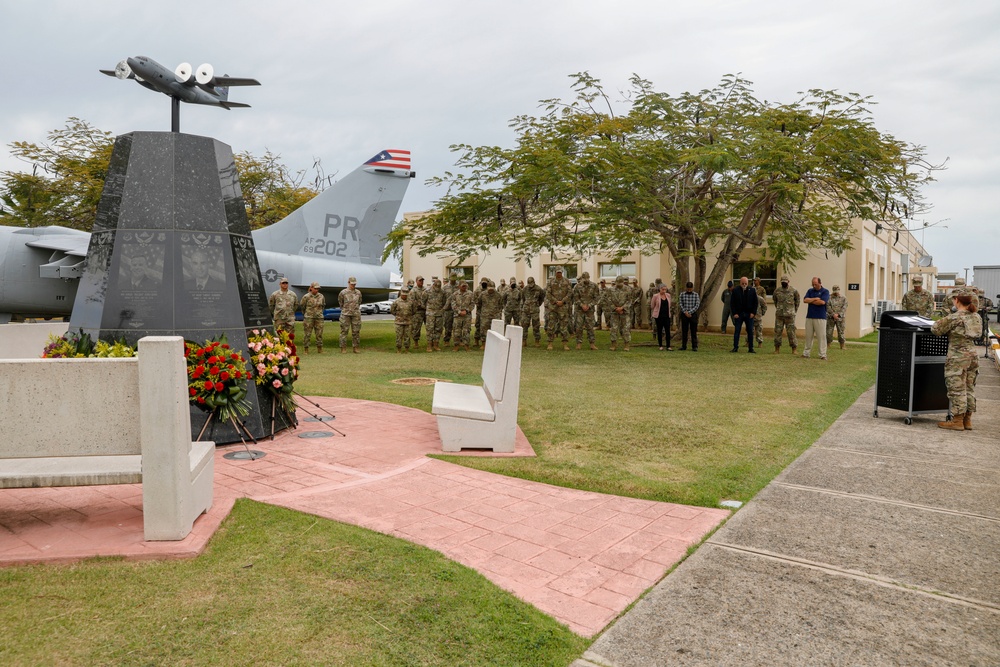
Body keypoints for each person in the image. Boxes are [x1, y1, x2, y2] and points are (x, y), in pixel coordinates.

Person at [931, 287, 982, 430]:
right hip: (973, 355)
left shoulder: (956, 316)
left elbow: (936, 329)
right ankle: (967, 420)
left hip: (958, 357)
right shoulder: (976, 316)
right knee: (969, 387)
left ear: (957, 300)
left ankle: (957, 421)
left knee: (957, 388)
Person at [801, 276, 830, 360]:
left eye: (816, 284)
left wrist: (811, 301)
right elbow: (805, 300)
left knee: (821, 336)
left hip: (820, 317)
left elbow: (822, 302)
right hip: (810, 316)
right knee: (808, 336)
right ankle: (806, 353)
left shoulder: (825, 291)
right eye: (813, 284)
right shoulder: (810, 291)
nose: (814, 286)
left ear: (820, 283)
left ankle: (823, 354)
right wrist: (815, 299)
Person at [545, 267, 572, 350]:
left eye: (560, 272)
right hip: (553, 307)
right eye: (557, 272)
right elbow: (548, 293)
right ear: (555, 272)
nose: (559, 274)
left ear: (562, 272)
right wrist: (556, 301)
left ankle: (565, 344)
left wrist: (563, 301)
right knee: (551, 325)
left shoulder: (567, 281)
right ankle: (550, 343)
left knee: (564, 326)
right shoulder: (550, 282)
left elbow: (570, 293)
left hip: (563, 307)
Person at [772, 275, 801, 354]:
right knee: (778, 332)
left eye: (785, 282)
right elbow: (775, 300)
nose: (784, 283)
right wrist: (779, 308)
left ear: (788, 281)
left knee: (791, 332)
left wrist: (794, 311)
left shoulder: (794, 290)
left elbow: (797, 301)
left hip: (790, 315)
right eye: (782, 282)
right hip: (779, 315)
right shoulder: (777, 291)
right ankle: (777, 349)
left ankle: (794, 349)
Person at [572, 271, 600, 350]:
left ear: (589, 277)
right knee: (578, 327)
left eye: (587, 278)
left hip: (589, 310)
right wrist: (582, 305)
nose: (586, 280)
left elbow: (597, 298)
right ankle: (578, 343)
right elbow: (575, 298)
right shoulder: (577, 286)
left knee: (590, 327)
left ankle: (592, 344)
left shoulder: (594, 286)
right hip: (579, 310)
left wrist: (589, 305)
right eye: (584, 278)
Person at [729, 277, 758, 353]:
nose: (744, 285)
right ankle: (735, 347)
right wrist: (734, 313)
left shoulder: (752, 290)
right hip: (739, 314)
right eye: (743, 283)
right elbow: (732, 303)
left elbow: (755, 303)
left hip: (749, 314)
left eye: (745, 283)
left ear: (747, 283)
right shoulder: (735, 290)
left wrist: (753, 313)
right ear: (740, 283)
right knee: (737, 331)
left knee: (750, 331)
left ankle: (751, 348)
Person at [606, 276, 632, 351]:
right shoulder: (611, 290)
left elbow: (629, 301)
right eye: (617, 283)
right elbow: (608, 300)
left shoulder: (628, 289)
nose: (618, 285)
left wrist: (622, 308)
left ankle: (626, 344)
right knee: (614, 328)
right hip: (614, 312)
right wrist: (615, 308)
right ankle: (613, 344)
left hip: (625, 312)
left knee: (626, 328)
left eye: (620, 283)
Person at [299, 281, 325, 354]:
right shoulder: (306, 297)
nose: (317, 290)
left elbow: (322, 306)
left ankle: (319, 348)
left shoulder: (321, 296)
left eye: (318, 289)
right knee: (307, 334)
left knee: (319, 334)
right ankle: (306, 349)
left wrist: (319, 313)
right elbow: (302, 306)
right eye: (315, 288)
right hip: (309, 318)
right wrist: (307, 314)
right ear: (311, 288)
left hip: (319, 318)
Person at [338, 276, 363, 353]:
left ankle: (356, 347)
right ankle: (343, 347)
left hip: (356, 314)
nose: (353, 285)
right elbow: (340, 302)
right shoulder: (343, 292)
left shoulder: (358, 292)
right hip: (345, 314)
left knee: (356, 331)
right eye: (352, 284)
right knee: (344, 331)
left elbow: (359, 302)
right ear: (348, 283)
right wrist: (346, 309)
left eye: (354, 284)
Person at [520, 276, 545, 347]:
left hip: (535, 310)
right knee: (524, 325)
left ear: (534, 282)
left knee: (536, 326)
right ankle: (524, 340)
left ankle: (537, 341)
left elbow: (542, 297)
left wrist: (537, 304)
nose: (531, 286)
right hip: (526, 310)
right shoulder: (525, 289)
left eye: (532, 284)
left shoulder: (538, 289)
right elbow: (523, 298)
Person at [451, 281, 475, 351]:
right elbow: (453, 304)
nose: (464, 287)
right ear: (459, 286)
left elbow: (472, 304)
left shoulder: (470, 293)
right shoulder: (455, 294)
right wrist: (459, 312)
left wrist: (466, 310)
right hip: (457, 316)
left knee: (466, 331)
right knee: (456, 331)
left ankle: (466, 345)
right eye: (463, 286)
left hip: (467, 315)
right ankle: (456, 345)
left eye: (465, 286)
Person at [424, 278, 446, 352]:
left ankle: (436, 345)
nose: (437, 289)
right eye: (436, 287)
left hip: (439, 314)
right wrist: (428, 309)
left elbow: (444, 302)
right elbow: (423, 301)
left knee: (438, 330)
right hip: (430, 314)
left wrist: (441, 310)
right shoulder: (427, 291)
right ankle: (429, 345)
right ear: (433, 285)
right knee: (430, 330)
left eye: (439, 287)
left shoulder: (442, 292)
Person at [390, 287, 413, 353]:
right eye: (403, 294)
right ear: (401, 294)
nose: (404, 296)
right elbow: (392, 310)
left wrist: (408, 316)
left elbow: (413, 310)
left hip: (408, 322)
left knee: (407, 336)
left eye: (406, 295)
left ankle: (407, 349)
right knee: (399, 336)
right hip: (399, 322)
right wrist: (398, 316)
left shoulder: (410, 301)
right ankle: (398, 349)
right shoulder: (396, 301)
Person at [678, 281, 700, 351]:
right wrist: (685, 312)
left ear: (692, 288)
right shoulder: (682, 294)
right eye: (688, 289)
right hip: (684, 314)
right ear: (686, 288)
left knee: (694, 331)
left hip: (693, 315)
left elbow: (697, 305)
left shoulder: (696, 295)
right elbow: (680, 304)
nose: (689, 290)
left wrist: (690, 312)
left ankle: (694, 346)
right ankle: (684, 346)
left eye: (690, 289)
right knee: (684, 331)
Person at [650, 284, 673, 350]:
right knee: (659, 330)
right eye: (662, 289)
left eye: (665, 289)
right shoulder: (656, 296)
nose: (664, 291)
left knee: (667, 331)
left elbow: (670, 304)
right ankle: (660, 345)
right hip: (659, 316)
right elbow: (652, 305)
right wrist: (656, 311)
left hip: (667, 316)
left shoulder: (668, 295)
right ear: (659, 289)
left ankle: (668, 346)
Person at [826, 285, 848, 350]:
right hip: (831, 317)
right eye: (835, 291)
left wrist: (838, 314)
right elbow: (827, 306)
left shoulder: (843, 298)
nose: (836, 292)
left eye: (837, 291)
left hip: (840, 318)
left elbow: (845, 307)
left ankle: (842, 345)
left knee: (841, 331)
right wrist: (833, 314)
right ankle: (828, 344)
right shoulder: (829, 298)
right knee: (829, 331)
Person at [409, 275, 427, 350]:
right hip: (417, 312)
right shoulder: (413, 290)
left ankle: (431, 342)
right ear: (416, 281)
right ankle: (416, 342)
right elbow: (412, 301)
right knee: (416, 328)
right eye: (420, 280)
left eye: (422, 280)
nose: (421, 282)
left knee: (429, 327)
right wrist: (421, 305)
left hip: (426, 311)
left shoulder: (426, 289)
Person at [442, 275, 457, 344]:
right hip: (448, 309)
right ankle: (447, 340)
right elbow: (442, 298)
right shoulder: (445, 287)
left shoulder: (459, 285)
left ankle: (457, 340)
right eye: (451, 279)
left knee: (457, 326)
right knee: (447, 326)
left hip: (457, 309)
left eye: (454, 279)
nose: (453, 280)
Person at [753, 277, 767, 348]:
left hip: (758, 312)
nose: (754, 282)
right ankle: (748, 342)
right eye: (754, 280)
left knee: (759, 329)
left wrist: (762, 312)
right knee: (749, 329)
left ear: (759, 281)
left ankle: (760, 343)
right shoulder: (752, 288)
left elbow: (764, 301)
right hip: (751, 313)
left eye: (755, 280)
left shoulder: (762, 289)